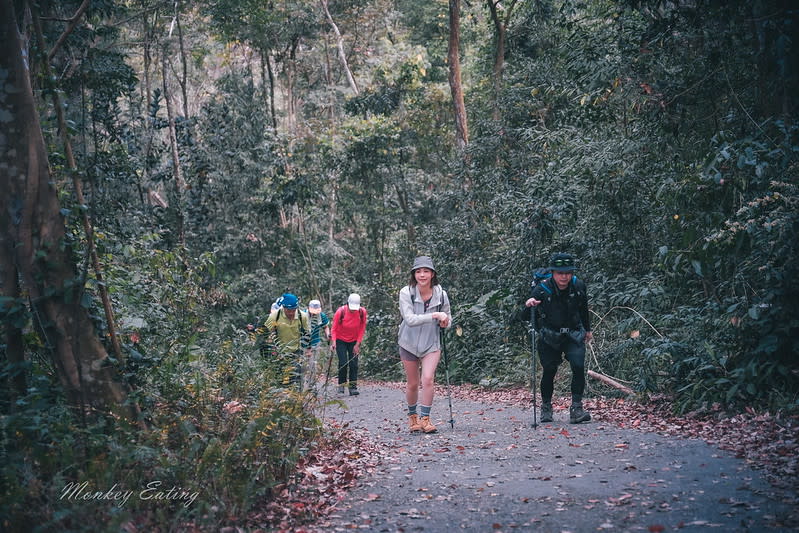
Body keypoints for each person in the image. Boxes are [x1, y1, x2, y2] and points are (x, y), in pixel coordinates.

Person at [524, 253, 593, 424]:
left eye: (568, 272)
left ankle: (577, 408)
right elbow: (524, 315)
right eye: (560, 273)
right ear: (553, 272)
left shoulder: (578, 286)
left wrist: (588, 330)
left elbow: (583, 308)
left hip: (574, 333)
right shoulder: (542, 289)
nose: (564, 276)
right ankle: (546, 407)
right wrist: (529, 305)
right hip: (549, 336)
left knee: (578, 366)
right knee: (549, 370)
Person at [398, 256, 452, 434]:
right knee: (413, 383)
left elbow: (448, 318)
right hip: (408, 343)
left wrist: (445, 322)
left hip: (431, 343)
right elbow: (410, 319)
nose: (422, 275)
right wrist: (435, 316)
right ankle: (413, 418)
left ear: (432, 274)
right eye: (418, 271)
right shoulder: (406, 292)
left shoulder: (441, 294)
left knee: (427, 379)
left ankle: (425, 419)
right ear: (414, 274)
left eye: (426, 271)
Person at [264, 293, 311, 387]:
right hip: (279, 351)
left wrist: (308, 349)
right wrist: (271, 348)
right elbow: (267, 334)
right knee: (281, 378)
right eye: (288, 310)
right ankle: (283, 397)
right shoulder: (274, 316)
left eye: (293, 310)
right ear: (283, 307)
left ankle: (297, 397)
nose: (291, 313)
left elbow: (307, 334)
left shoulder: (303, 316)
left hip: (296, 350)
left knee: (296, 376)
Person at [330, 293, 368, 396]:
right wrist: (333, 341)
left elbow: (362, 328)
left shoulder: (362, 312)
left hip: (354, 341)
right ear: (348, 304)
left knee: (354, 364)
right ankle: (341, 386)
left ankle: (353, 387)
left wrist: (357, 344)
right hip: (340, 340)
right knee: (343, 363)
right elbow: (333, 328)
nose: (353, 310)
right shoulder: (340, 312)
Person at [305, 299, 330, 392]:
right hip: (303, 344)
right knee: (304, 366)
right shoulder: (303, 316)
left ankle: (312, 386)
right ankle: (303, 385)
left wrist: (328, 335)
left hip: (315, 343)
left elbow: (326, 326)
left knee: (313, 365)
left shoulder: (321, 316)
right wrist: (307, 348)